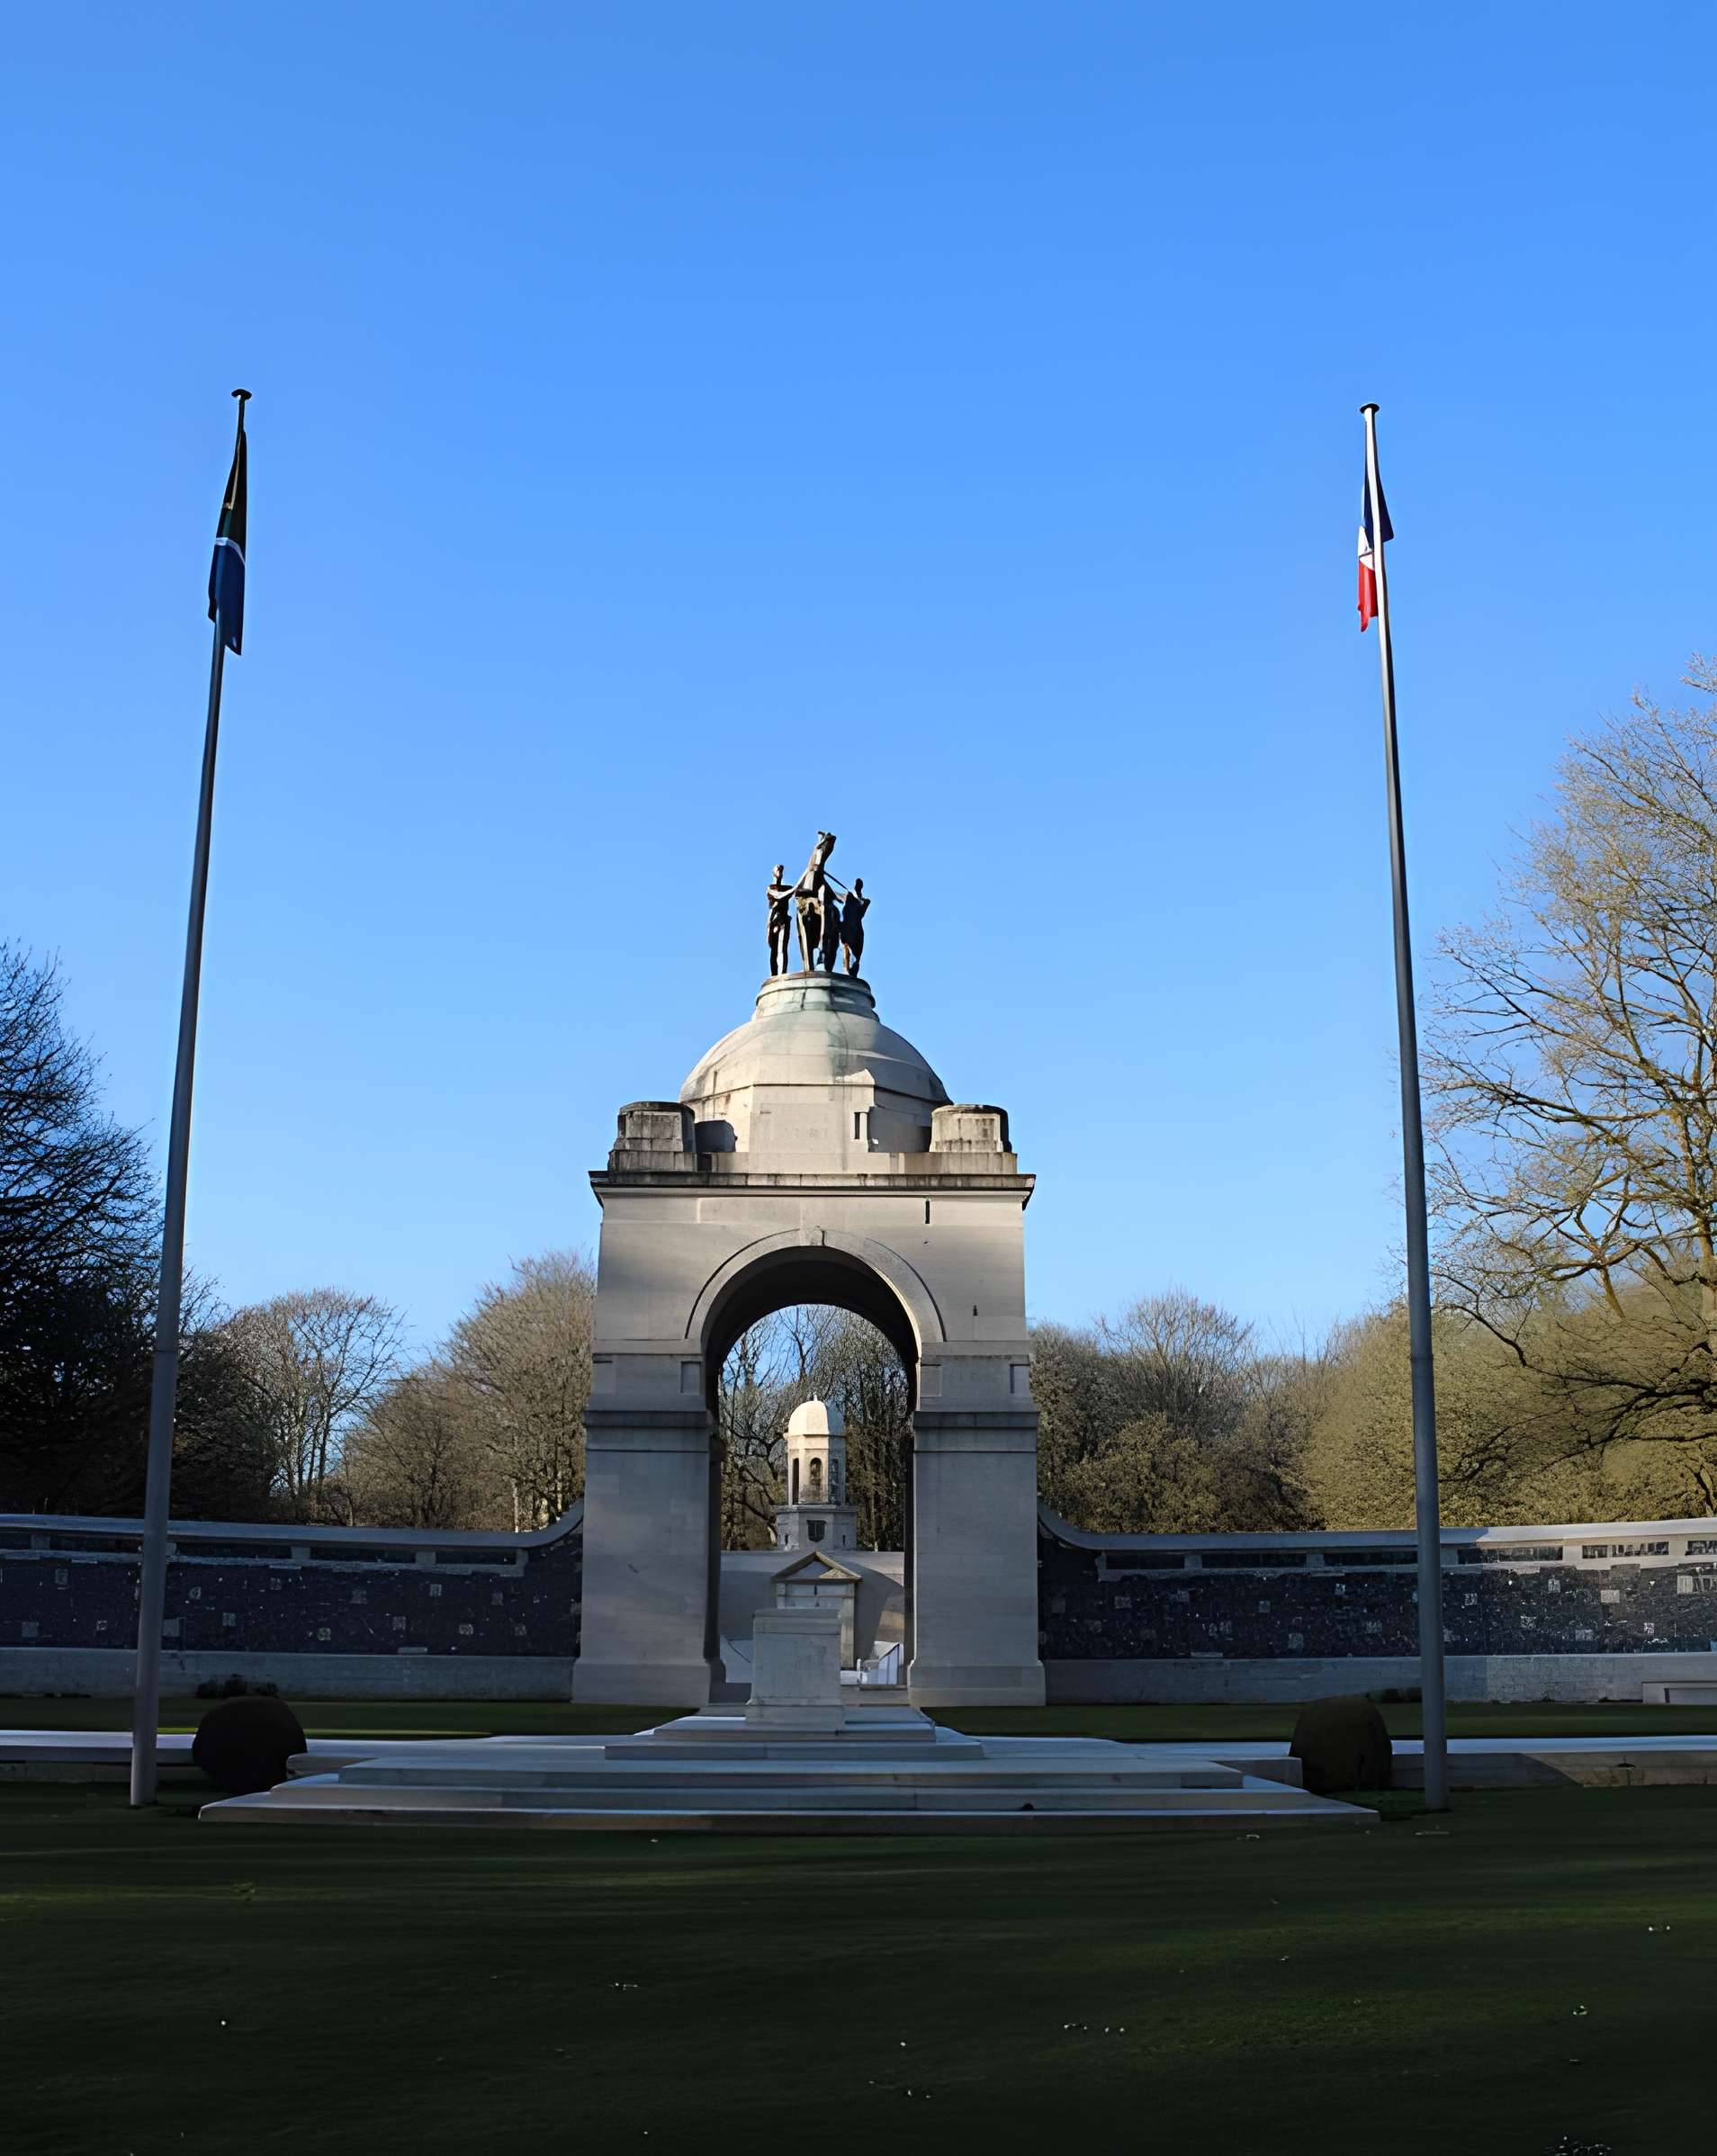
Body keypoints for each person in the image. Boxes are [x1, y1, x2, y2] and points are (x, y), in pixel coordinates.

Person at [765, 865, 794, 975]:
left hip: (784, 921)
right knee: (774, 951)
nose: (779, 871)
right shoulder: (770, 889)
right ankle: (774, 975)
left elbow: (798, 891)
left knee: (782, 948)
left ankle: (782, 973)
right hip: (773, 922)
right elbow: (780, 896)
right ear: (773, 873)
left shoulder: (787, 888)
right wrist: (793, 890)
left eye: (781, 870)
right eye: (777, 869)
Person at [840, 878, 870, 976]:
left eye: (859, 887)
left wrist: (858, 898)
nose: (858, 888)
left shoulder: (865, 902)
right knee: (847, 948)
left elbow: (861, 913)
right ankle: (847, 970)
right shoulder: (849, 898)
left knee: (857, 955)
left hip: (857, 928)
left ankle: (852, 972)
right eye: (857, 886)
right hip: (848, 928)